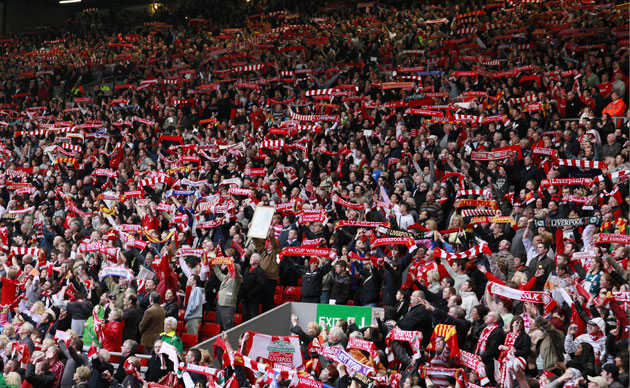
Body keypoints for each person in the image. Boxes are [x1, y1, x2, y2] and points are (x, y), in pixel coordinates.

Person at [213, 262, 243, 331]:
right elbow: (219, 274)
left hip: (227, 305)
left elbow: (236, 275)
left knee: (227, 326)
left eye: (230, 267)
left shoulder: (238, 278)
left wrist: (232, 263)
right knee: (219, 325)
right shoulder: (227, 277)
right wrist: (213, 264)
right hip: (220, 303)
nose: (228, 268)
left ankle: (228, 341)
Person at [238, 253, 267, 321]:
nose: (251, 258)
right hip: (245, 298)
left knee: (252, 318)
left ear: (258, 261)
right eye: (251, 256)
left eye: (253, 257)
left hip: (253, 299)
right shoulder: (246, 269)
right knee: (245, 317)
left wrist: (250, 294)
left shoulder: (260, 272)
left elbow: (260, 286)